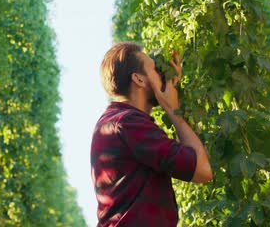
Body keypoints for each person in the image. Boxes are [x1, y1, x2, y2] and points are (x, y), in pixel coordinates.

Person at [91, 42, 213, 226]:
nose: (163, 75)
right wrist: (173, 110)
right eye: (155, 70)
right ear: (139, 80)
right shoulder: (130, 124)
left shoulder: (115, 121)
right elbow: (202, 171)